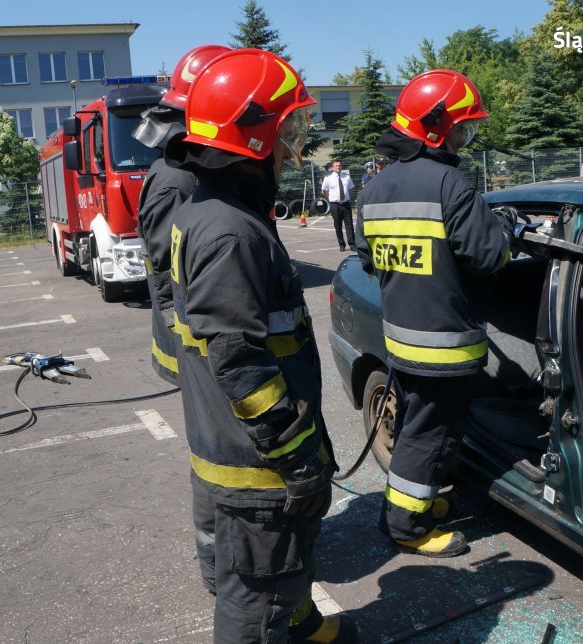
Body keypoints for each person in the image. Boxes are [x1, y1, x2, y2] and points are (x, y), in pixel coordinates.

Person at [164, 48, 351, 642]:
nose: (293, 146)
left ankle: (300, 623)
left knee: (272, 585)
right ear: (252, 136)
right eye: (288, 128)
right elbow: (240, 363)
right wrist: (296, 455)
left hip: (234, 448)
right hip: (260, 467)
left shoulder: (212, 212)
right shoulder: (231, 233)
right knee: (259, 602)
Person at [355, 69, 513, 558]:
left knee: (412, 428)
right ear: (438, 128)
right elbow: (489, 257)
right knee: (429, 435)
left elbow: (367, 258)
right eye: (463, 127)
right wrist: (506, 230)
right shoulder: (449, 184)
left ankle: (409, 507)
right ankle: (406, 526)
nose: (466, 137)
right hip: (444, 345)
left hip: (400, 339)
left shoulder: (375, 188)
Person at [132, 43, 230, 593]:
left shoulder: (184, 171)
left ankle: (225, 554)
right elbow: (170, 269)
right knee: (215, 455)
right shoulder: (176, 179)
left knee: (216, 451)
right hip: (195, 339)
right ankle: (219, 562)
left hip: (196, 334)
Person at [321, 159, 356, 251]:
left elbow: (351, 189)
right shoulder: (328, 178)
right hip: (335, 205)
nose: (338, 167)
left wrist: (347, 197)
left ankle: (352, 244)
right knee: (338, 225)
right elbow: (324, 191)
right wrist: (330, 199)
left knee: (349, 225)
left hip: (346, 204)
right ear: (332, 168)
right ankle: (341, 245)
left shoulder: (346, 177)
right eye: (336, 166)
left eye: (340, 165)